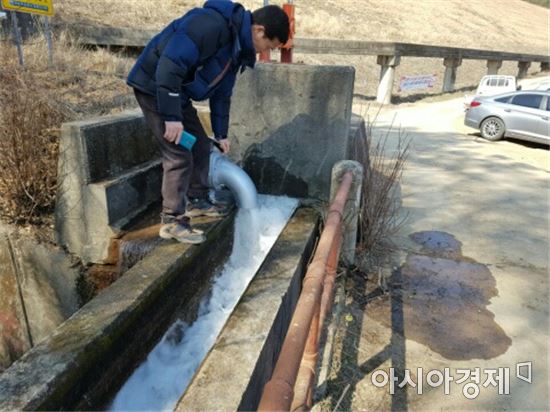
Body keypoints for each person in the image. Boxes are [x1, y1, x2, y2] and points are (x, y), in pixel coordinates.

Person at [127, 1, 289, 244]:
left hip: (176, 92)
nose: (263, 52)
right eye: (268, 46)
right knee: (179, 154)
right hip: (154, 87)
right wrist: (171, 117)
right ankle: (172, 221)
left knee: (201, 145)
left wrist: (221, 134)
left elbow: (222, 95)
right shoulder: (210, 25)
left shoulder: (236, 50)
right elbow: (170, 64)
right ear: (259, 31)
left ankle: (197, 200)